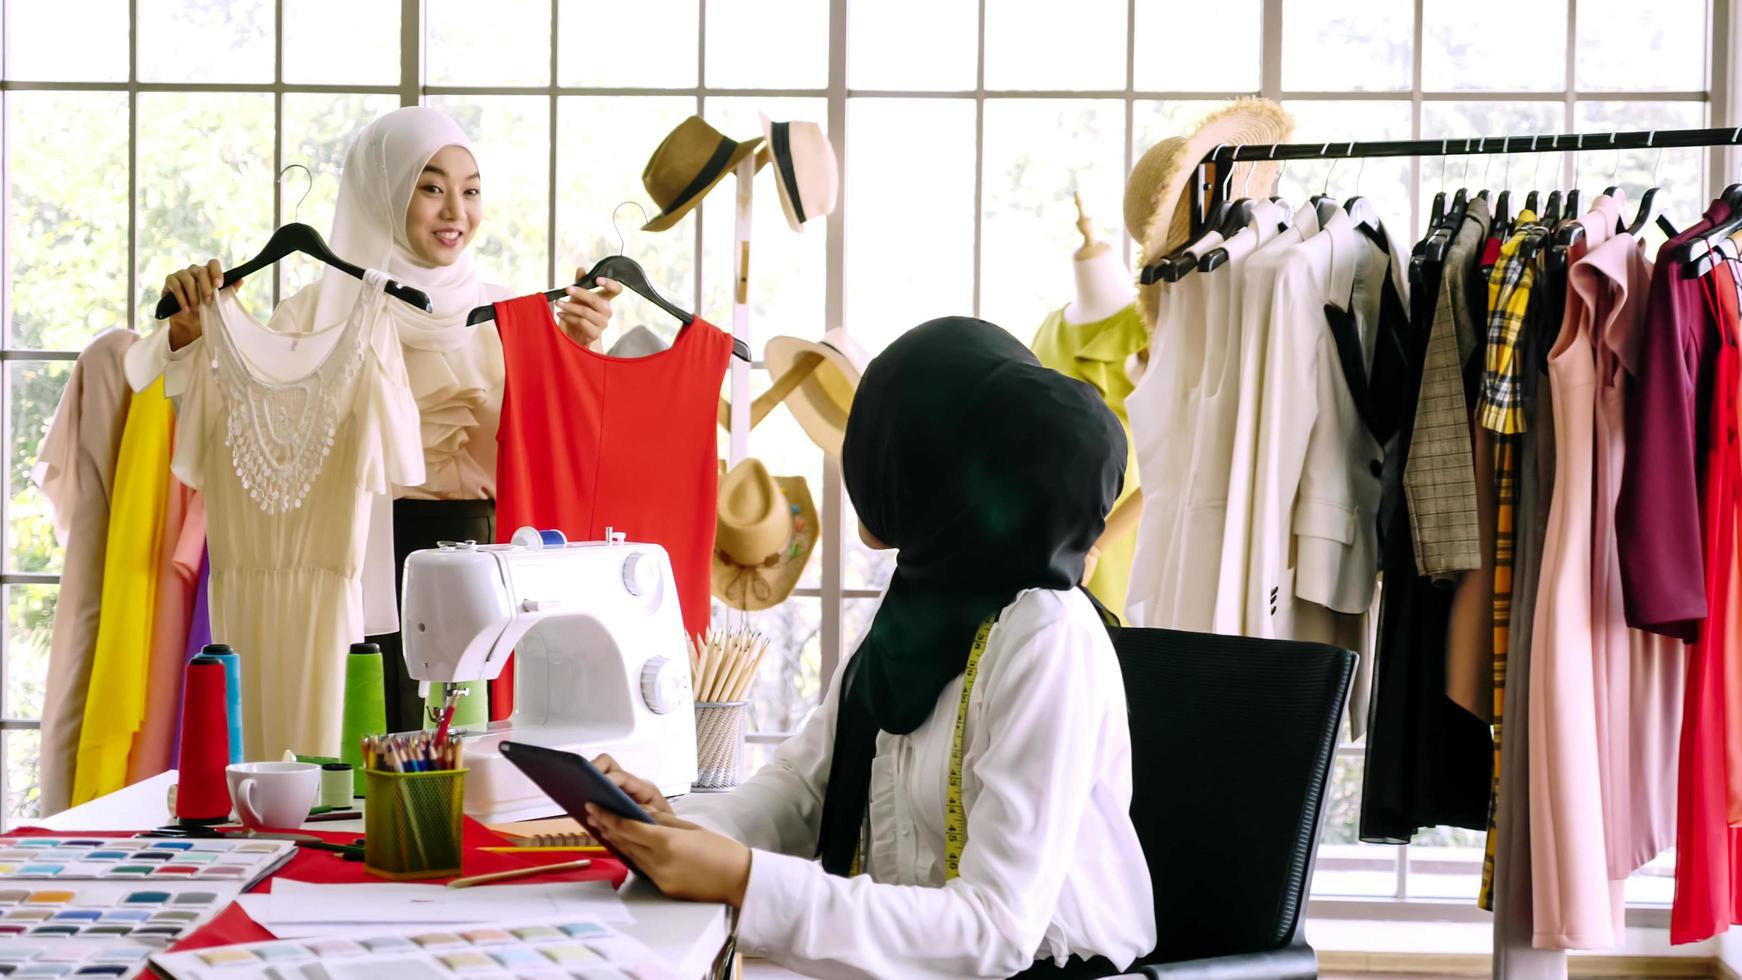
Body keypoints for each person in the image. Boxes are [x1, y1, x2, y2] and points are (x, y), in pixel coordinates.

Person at [585, 317, 1156, 979]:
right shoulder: (919, 611)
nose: (861, 463)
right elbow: (800, 792)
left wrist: (746, 880)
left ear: (947, 470)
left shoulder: (1045, 638)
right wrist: (677, 826)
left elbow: (995, 930)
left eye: (890, 445)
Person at [152, 106, 621, 730]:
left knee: (480, 764)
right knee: (363, 765)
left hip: (493, 560)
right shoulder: (316, 312)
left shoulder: (508, 315)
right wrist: (193, 335)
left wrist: (577, 356)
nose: (456, 212)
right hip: (352, 557)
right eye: (430, 187)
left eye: (471, 190)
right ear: (382, 193)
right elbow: (235, 436)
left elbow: (561, 453)